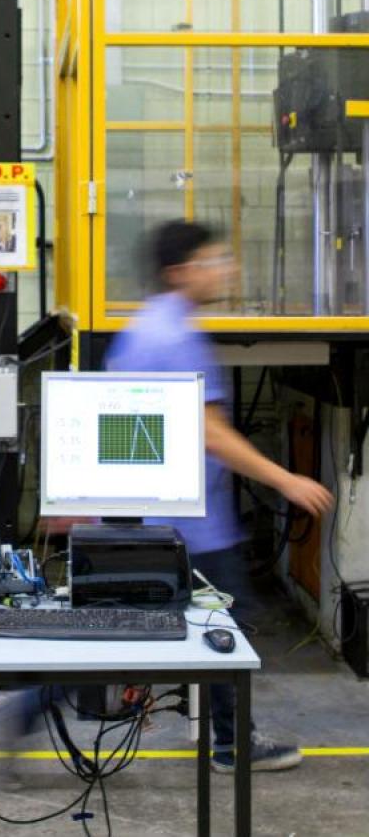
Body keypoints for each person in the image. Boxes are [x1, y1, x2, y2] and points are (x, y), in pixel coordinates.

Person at [106, 218, 333, 774]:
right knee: (226, 626)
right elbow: (208, 432)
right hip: (189, 523)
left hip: (159, 515)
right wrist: (285, 480)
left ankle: (231, 738)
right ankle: (232, 744)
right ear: (181, 271)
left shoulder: (148, 326)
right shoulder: (174, 336)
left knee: (175, 630)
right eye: (214, 260)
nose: (226, 268)